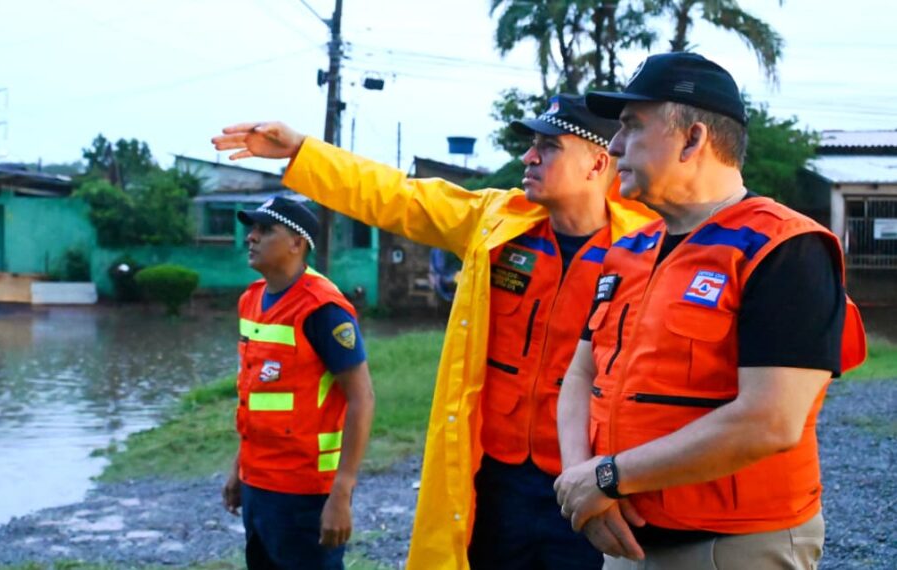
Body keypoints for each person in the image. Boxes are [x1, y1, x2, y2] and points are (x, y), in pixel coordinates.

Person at [213, 95, 656, 569]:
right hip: (496, 480)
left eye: (548, 147)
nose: (529, 157)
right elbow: (397, 196)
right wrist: (302, 150)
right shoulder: (496, 223)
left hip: (586, 481)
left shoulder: (645, 247)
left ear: (596, 163)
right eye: (532, 144)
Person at [553, 52, 868, 569]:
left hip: (734, 547)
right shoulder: (628, 251)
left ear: (693, 139)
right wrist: (579, 481)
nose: (613, 145)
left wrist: (607, 477)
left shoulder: (784, 248)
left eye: (632, 125)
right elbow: (581, 374)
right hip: (622, 537)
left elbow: (770, 421)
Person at [222, 196, 375, 570]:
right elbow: (257, 396)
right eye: (252, 229)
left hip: (306, 492)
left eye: (265, 230)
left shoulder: (322, 309)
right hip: (258, 484)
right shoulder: (251, 300)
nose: (251, 237)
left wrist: (342, 491)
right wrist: (239, 468)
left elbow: (362, 399)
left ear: (297, 242)